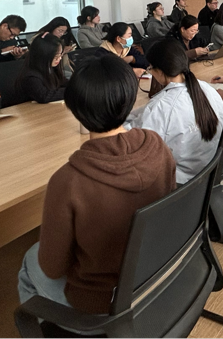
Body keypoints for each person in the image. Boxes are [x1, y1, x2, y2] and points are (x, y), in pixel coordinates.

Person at [17, 55, 176, 315]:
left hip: (101, 302)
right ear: (130, 98)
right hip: (155, 276)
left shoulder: (68, 180)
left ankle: (63, 329)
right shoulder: (156, 144)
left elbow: (52, 268)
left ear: (74, 109)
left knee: (30, 261)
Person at [126, 39, 223, 183]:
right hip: (213, 170)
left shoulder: (161, 106)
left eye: (151, 69)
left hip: (184, 183)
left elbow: (137, 145)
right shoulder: (206, 88)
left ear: (159, 72)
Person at [16, 34, 66, 104]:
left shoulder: (51, 68)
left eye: (61, 55)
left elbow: (63, 82)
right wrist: (70, 91)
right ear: (43, 55)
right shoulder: (30, 76)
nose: (60, 58)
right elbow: (44, 96)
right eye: (56, 56)